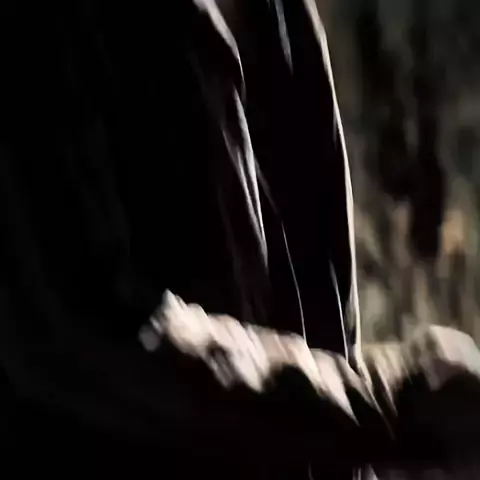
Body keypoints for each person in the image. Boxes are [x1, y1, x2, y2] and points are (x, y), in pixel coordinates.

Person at [1, 1, 479, 478]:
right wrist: (388, 400)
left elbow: (329, 327)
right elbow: (82, 333)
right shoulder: (53, 24)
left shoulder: (284, 15)